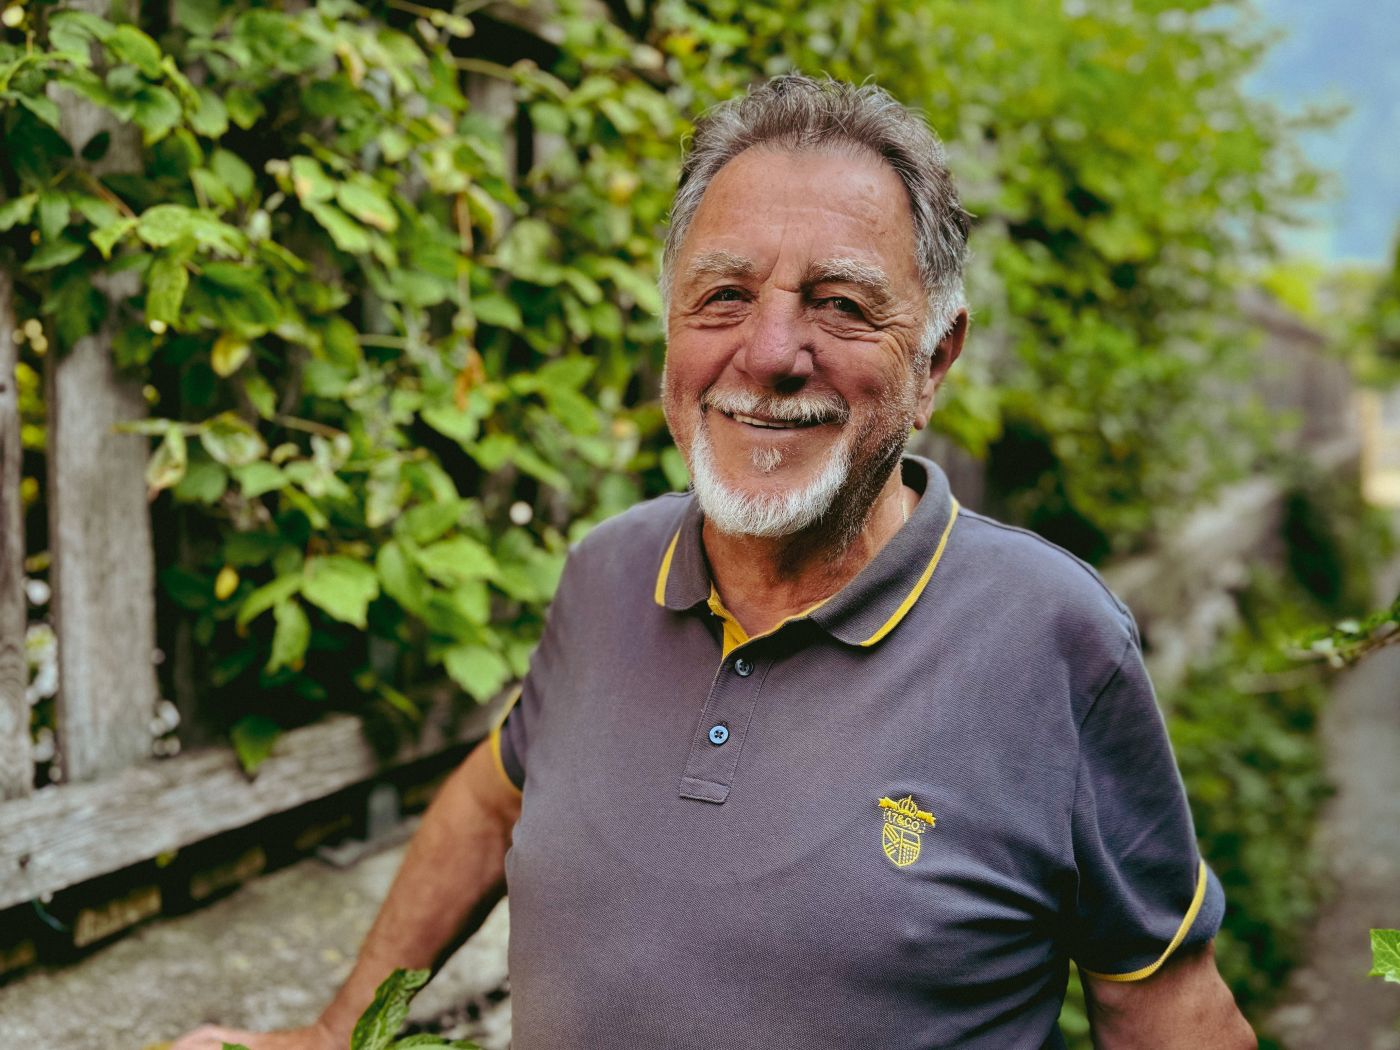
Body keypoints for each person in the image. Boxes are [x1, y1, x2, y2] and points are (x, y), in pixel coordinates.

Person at [174, 75, 1256, 1049]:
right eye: (723, 296)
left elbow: (1168, 1007)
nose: (769, 353)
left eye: (840, 305)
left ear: (935, 361)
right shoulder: (607, 574)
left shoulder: (1050, 638)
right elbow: (494, 798)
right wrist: (334, 1033)